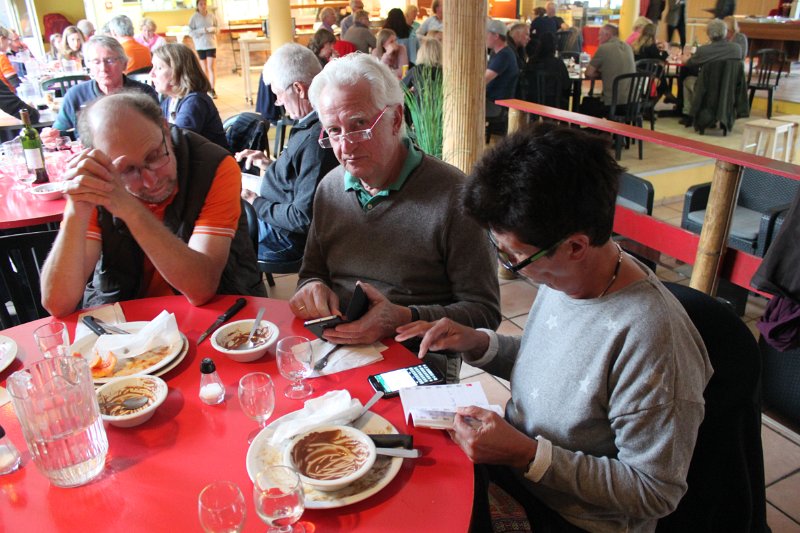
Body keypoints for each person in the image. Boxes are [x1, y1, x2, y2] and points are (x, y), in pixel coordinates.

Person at [395, 123, 711, 532]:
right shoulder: (569, 276)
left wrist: (526, 454)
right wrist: (478, 344)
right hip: (518, 470)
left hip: (572, 517)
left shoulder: (654, 340)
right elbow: (559, 371)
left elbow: (655, 491)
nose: (509, 266)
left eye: (514, 257)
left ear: (576, 246)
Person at [291, 53, 501, 383]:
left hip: (419, 355)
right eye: (333, 131)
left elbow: (485, 313)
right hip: (338, 348)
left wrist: (403, 317)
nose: (346, 146)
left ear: (395, 118)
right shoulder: (330, 188)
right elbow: (311, 273)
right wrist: (312, 288)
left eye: (359, 125)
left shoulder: (453, 195)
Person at [40, 92, 265, 317]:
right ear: (100, 162)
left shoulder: (213, 166)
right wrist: (75, 210)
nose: (150, 180)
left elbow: (201, 290)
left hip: (213, 315)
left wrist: (128, 208)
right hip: (127, 322)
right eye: (127, 170)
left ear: (165, 129)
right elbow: (58, 304)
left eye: (154, 156)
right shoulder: (97, 179)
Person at [237, 43, 339, 264]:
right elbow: (301, 178)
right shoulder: (309, 123)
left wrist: (255, 202)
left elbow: (303, 218)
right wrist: (270, 166)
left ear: (299, 89)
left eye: (278, 95)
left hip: (287, 239)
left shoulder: (316, 139)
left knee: (221, 236)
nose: (278, 103)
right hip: (279, 224)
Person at [41, 36, 158, 143]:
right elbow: (60, 132)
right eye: (96, 62)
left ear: (124, 64)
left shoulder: (143, 93)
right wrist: (51, 136)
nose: (103, 68)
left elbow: (158, 133)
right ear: (88, 66)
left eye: (110, 61)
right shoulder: (76, 95)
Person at [151, 43, 227, 149]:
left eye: (159, 68)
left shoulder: (194, 102)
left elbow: (176, 144)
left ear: (178, 71)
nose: (151, 74)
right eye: (153, 67)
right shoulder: (170, 100)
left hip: (210, 159)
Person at [678, 18, 743, 127]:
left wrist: (684, 59)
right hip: (728, 88)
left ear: (709, 34)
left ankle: (689, 114)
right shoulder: (737, 49)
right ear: (725, 32)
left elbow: (690, 63)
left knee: (687, 80)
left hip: (708, 89)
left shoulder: (704, 50)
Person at [583, 24, 636, 118]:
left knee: (585, 104)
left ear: (607, 35)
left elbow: (588, 73)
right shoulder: (628, 47)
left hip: (613, 105)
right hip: (632, 103)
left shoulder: (604, 48)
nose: (598, 39)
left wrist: (601, 73)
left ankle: (589, 129)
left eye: (600, 35)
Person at [485, 19, 519, 119]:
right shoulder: (498, 53)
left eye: (487, 34)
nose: (484, 37)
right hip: (492, 101)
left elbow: (483, 80)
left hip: (497, 105)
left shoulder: (504, 55)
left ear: (496, 36)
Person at [528, 32, 570, 109]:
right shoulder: (558, 63)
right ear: (554, 47)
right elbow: (566, 84)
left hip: (533, 102)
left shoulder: (531, 61)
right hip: (554, 103)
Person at [189, 0, 219, 98]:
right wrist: (203, 30)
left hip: (211, 44)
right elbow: (191, 32)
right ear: (197, 5)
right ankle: (205, 88)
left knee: (211, 66)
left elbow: (218, 28)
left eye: (205, 4)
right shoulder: (194, 17)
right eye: (201, 4)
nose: (203, 6)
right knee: (203, 67)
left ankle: (212, 89)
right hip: (200, 45)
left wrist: (213, 29)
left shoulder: (212, 16)